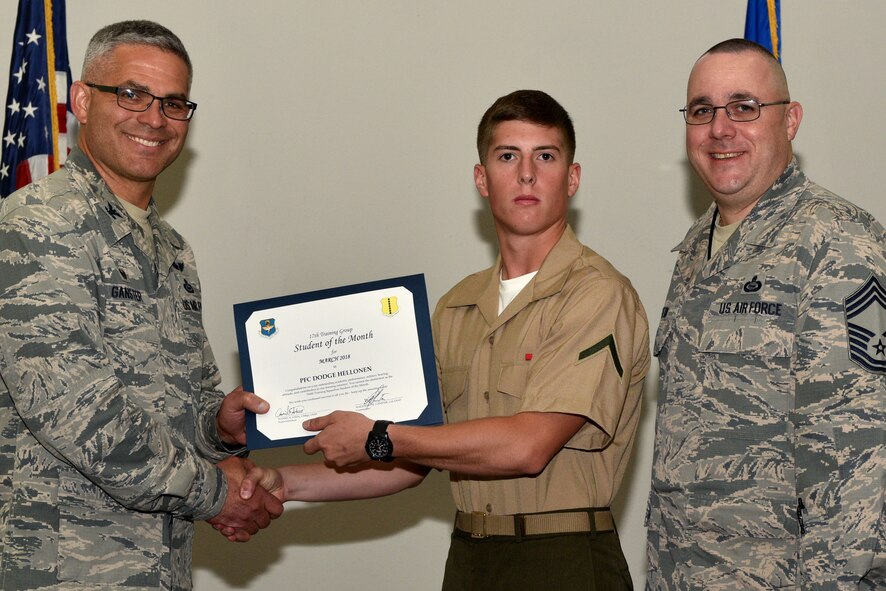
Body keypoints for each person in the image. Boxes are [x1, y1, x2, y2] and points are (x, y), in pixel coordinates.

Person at [226, 89, 650, 589]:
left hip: (564, 559)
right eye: (508, 156)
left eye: (546, 156)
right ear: (482, 179)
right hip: (470, 559)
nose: (527, 174)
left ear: (572, 178)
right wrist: (284, 482)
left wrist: (380, 435)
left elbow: (528, 447)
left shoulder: (597, 294)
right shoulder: (456, 307)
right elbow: (410, 463)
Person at [0, 20, 282, 590]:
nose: (154, 118)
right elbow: (80, 413)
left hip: (157, 568)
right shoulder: (40, 226)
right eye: (131, 94)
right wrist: (219, 494)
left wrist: (220, 427)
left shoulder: (172, 250)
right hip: (59, 570)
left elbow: (182, 402)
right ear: (81, 100)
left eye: (174, 103)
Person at [646, 38, 886, 590]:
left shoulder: (837, 242)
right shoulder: (695, 252)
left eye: (744, 107)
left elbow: (859, 458)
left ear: (790, 119)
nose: (720, 129)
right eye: (702, 110)